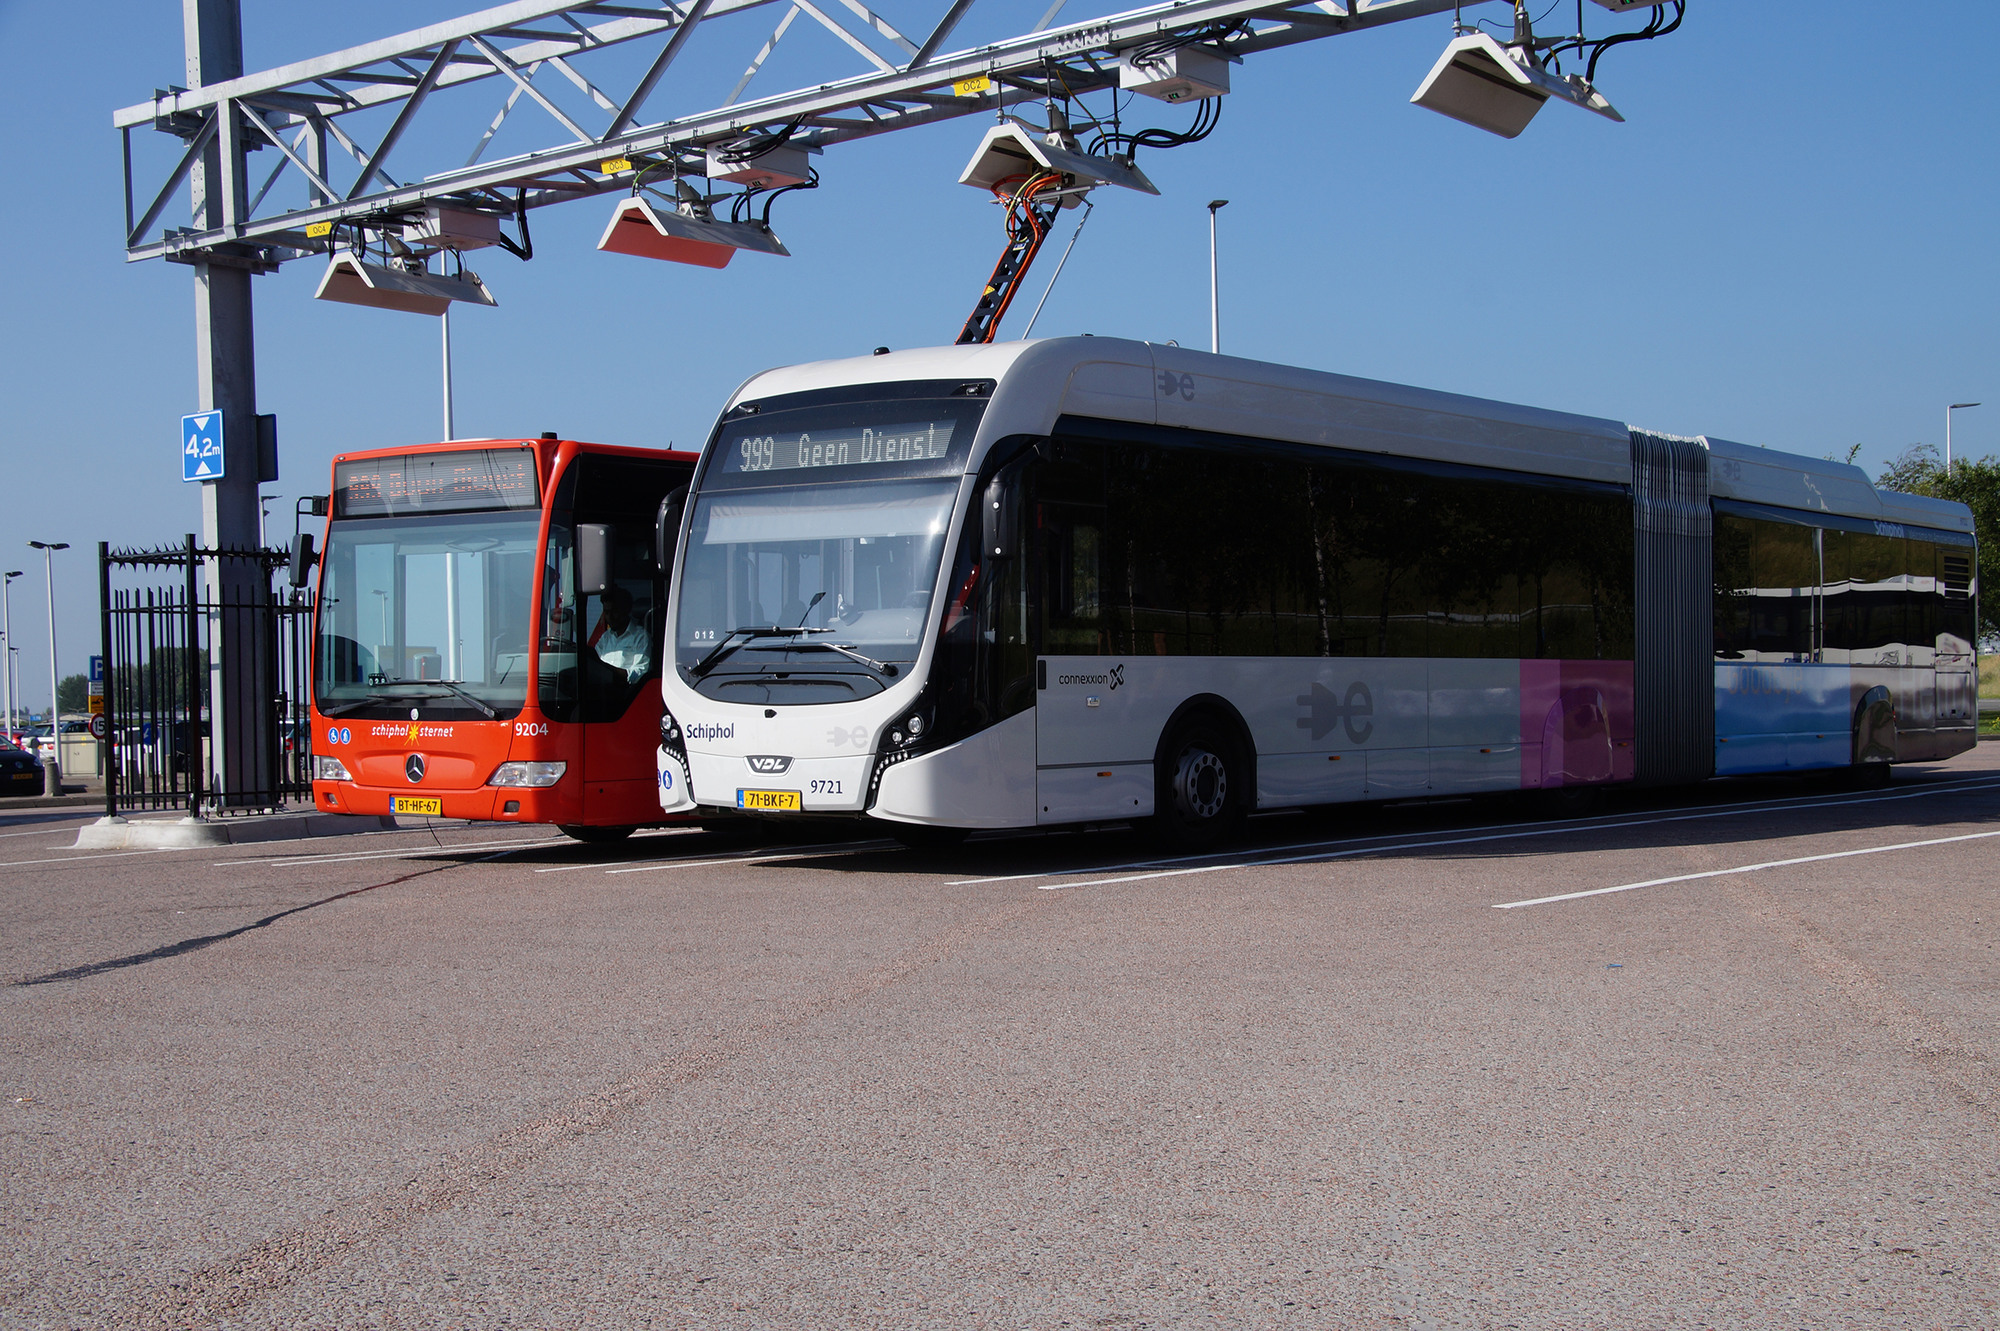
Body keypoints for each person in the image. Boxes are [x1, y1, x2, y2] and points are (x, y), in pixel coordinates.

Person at [589, 585, 652, 682]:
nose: (610, 617)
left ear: (625, 610)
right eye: (606, 612)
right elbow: (595, 665)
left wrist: (613, 673)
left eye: (614, 612)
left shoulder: (641, 637)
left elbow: (641, 672)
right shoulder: (606, 638)